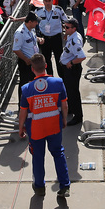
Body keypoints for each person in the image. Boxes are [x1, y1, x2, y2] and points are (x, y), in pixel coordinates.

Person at [18, 53, 71, 198]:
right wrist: (64, 119)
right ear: (46, 66)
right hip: (54, 126)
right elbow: (64, 105)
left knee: (38, 157)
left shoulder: (26, 89)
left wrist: (21, 127)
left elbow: (23, 112)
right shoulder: (58, 83)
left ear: (32, 69)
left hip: (35, 129)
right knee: (58, 153)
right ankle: (65, 186)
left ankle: (39, 187)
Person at [58, 18, 86, 125]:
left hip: (72, 69)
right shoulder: (72, 36)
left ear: (74, 28)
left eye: (67, 27)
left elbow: (82, 56)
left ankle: (78, 116)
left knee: (73, 93)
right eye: (64, 27)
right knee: (69, 91)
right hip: (68, 68)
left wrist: (71, 62)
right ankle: (70, 108)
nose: (65, 29)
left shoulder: (75, 41)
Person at [35, 0, 67, 75]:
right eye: (46, 1)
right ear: (43, 2)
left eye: (49, 1)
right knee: (46, 59)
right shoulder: (38, 11)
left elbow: (66, 21)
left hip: (56, 38)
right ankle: (50, 76)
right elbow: (30, 20)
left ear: (52, 1)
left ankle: (62, 76)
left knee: (59, 58)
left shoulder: (58, 9)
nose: (47, 3)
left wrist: (66, 33)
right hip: (44, 38)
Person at [12, 12, 42, 92]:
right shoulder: (20, 33)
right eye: (35, 22)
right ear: (30, 22)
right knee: (24, 84)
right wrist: (26, 59)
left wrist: (39, 39)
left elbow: (32, 38)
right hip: (26, 63)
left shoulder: (31, 28)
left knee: (33, 84)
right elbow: (16, 49)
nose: (37, 23)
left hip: (34, 61)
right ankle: (22, 100)